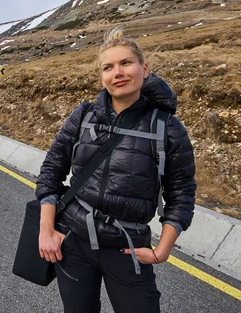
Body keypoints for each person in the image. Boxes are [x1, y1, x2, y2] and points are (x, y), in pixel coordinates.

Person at [36, 27, 196, 313]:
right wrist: (46, 230)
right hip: (73, 242)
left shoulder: (167, 128)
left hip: (128, 247)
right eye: (108, 67)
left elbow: (182, 194)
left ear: (144, 68)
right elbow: (51, 170)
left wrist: (162, 250)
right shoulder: (84, 115)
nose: (117, 73)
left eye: (126, 63)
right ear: (102, 76)